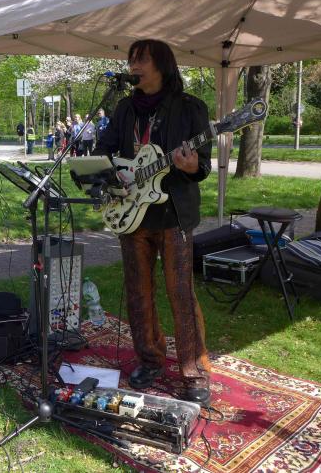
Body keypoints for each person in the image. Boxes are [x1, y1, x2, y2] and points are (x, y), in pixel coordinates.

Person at [93, 39, 212, 407]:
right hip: (132, 213)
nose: (133, 66)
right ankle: (150, 359)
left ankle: (194, 371)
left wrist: (192, 165)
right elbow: (104, 150)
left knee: (181, 292)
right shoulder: (125, 108)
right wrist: (114, 176)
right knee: (138, 291)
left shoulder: (190, 107)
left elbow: (203, 164)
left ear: (162, 65)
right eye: (131, 60)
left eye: (141, 60)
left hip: (173, 212)